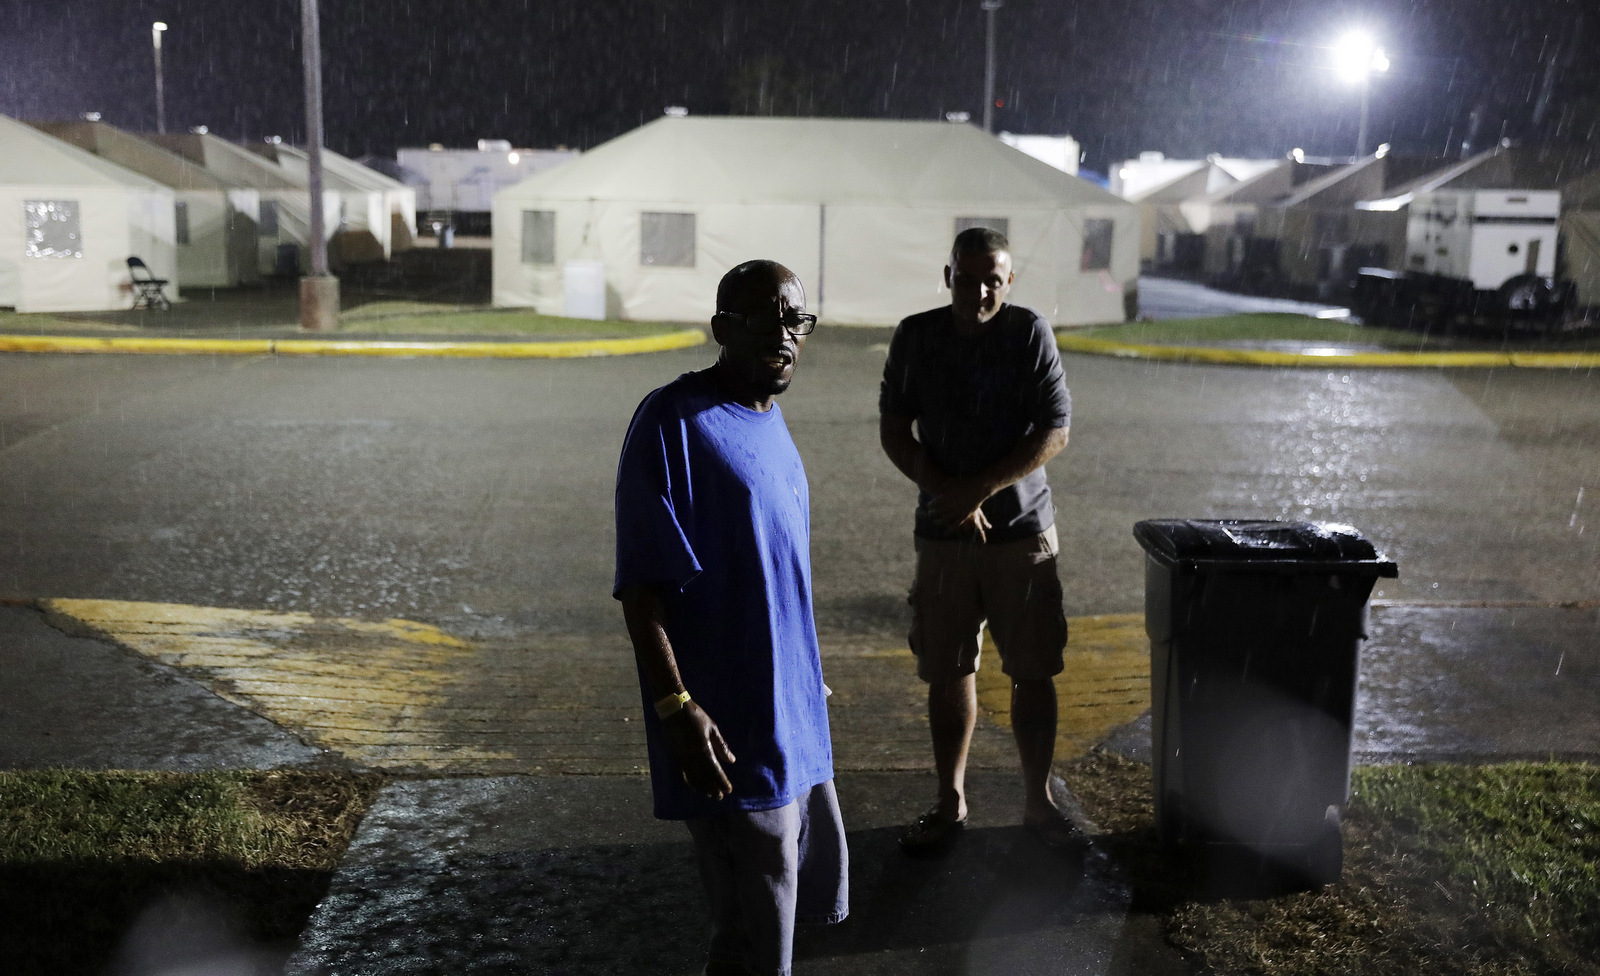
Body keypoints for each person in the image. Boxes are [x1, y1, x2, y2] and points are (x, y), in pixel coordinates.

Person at [614, 260, 847, 976]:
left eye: (797, 321)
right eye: (768, 319)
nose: (786, 336)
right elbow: (642, 589)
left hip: (792, 716)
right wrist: (675, 705)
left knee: (774, 915)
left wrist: (809, 680)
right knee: (751, 923)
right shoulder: (672, 422)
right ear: (722, 329)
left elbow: (774, 571)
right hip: (726, 731)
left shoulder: (770, 421)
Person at [878, 226, 1079, 852]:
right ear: (948, 278)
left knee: (1033, 669)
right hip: (942, 534)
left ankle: (1037, 800)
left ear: (1009, 281)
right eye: (968, 279)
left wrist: (979, 490)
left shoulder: (1029, 333)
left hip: (1021, 532)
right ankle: (950, 798)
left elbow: (1056, 429)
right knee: (947, 669)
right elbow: (893, 427)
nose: (981, 291)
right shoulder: (917, 335)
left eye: (994, 279)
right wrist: (946, 493)